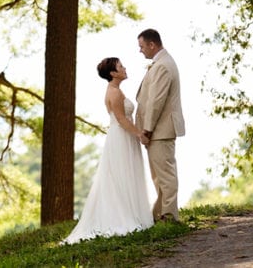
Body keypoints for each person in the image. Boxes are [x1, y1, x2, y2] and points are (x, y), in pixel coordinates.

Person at [62, 57, 153, 244]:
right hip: (121, 137)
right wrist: (139, 134)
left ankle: (132, 212)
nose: (125, 68)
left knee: (127, 174)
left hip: (123, 136)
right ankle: (123, 216)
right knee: (121, 175)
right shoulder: (113, 93)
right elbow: (121, 119)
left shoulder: (117, 90)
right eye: (121, 66)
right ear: (113, 73)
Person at [135, 28, 185, 222]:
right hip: (159, 129)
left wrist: (147, 129)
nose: (140, 51)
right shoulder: (161, 63)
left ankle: (170, 216)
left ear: (152, 45)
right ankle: (160, 215)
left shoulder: (163, 66)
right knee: (159, 176)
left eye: (141, 47)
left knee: (166, 175)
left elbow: (156, 101)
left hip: (161, 129)